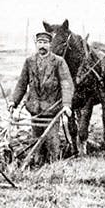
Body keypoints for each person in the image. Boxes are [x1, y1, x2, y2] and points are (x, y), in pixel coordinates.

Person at [9, 31, 75, 165]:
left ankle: (55, 167)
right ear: (36, 44)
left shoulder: (58, 62)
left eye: (45, 43)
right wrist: (13, 101)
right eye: (40, 43)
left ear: (50, 45)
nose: (42, 46)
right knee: (36, 141)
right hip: (35, 109)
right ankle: (37, 165)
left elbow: (66, 84)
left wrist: (67, 104)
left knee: (52, 141)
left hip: (51, 111)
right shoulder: (29, 61)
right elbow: (22, 83)